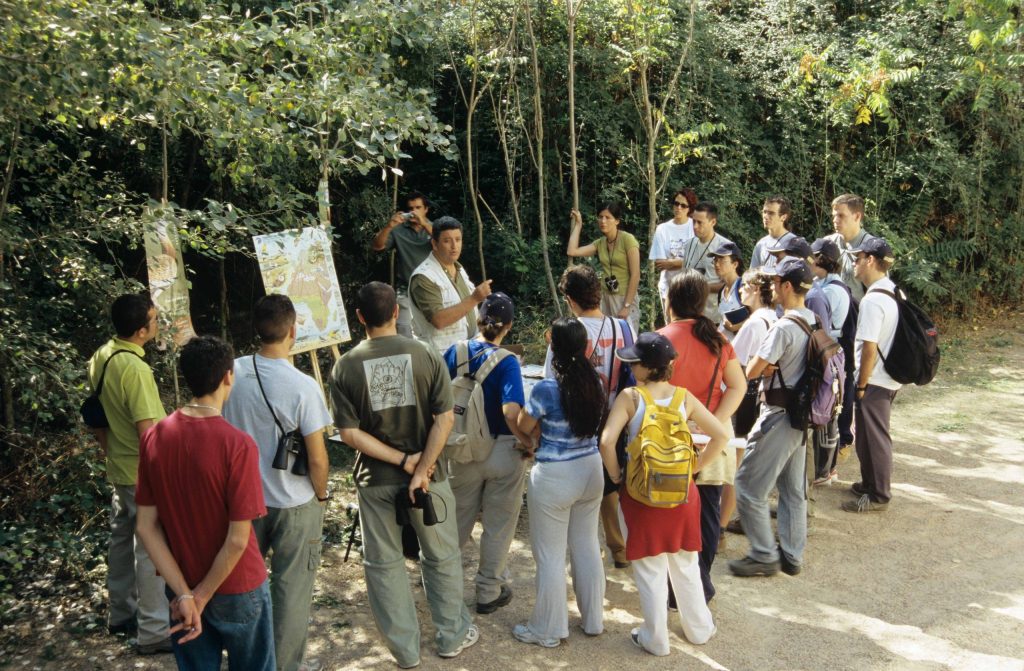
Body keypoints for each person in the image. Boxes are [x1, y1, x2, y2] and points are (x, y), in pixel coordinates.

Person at [329, 282, 478, 668]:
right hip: (430, 478)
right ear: (397, 312)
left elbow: (348, 434)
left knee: (384, 565)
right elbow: (444, 419)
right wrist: (421, 467)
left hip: (376, 481)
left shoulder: (344, 366)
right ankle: (451, 636)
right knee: (441, 556)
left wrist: (402, 461)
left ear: (359, 317)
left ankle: (405, 651)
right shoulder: (425, 354)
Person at [135, 335, 273, 671]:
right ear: (228, 376)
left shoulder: (155, 436)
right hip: (238, 586)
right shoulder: (237, 445)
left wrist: (185, 595)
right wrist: (201, 595)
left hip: (179, 584)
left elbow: (145, 527)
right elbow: (238, 538)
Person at [222, 295, 332, 671]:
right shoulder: (303, 386)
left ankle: (248, 662)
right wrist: (322, 494)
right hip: (293, 501)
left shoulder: (231, 373)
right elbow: (317, 457)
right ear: (292, 330)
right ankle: (284, 665)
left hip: (241, 502)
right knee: (291, 592)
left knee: (243, 590)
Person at [599, 332, 728, 655]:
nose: (631, 367)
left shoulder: (631, 397)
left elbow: (606, 441)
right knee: (685, 561)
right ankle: (699, 629)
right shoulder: (684, 398)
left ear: (644, 368)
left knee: (649, 567)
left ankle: (656, 638)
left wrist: (617, 475)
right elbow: (721, 435)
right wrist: (695, 467)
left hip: (641, 493)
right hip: (682, 493)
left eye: (634, 363)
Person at [513, 317, 607, 648]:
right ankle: (593, 619)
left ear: (553, 346)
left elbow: (524, 425)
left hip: (555, 475)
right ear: (584, 347)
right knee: (586, 545)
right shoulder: (595, 381)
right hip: (591, 470)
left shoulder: (547, 388)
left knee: (550, 554)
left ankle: (549, 629)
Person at [86, 293, 171, 654]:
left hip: (118, 467)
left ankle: (120, 613)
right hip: (141, 471)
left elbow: (94, 417)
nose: (157, 323)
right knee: (150, 549)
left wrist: (109, 452)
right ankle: (153, 630)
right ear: (140, 331)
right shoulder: (135, 369)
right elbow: (148, 431)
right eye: (154, 319)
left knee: (121, 540)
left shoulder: (102, 355)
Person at [442, 292, 533, 614]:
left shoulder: (454, 351)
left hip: (460, 448)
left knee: (454, 524)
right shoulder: (507, 361)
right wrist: (527, 440)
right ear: (507, 326)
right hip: (503, 451)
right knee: (498, 525)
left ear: (477, 319)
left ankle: (445, 592)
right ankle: (487, 592)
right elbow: (511, 410)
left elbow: (436, 399)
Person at [658, 270, 745, 602]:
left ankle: (670, 590)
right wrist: (713, 422)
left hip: (668, 441)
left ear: (671, 301)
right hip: (711, 442)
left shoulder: (661, 339)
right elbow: (738, 386)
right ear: (702, 302)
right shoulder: (719, 341)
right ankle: (700, 586)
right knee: (707, 514)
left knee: (668, 514)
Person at [728, 257, 815, 578]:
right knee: (793, 491)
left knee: (748, 486)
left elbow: (750, 371)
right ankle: (792, 554)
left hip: (778, 415)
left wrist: (764, 365)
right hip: (802, 417)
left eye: (778, 283)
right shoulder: (813, 320)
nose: (774, 288)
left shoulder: (784, 327)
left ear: (788, 287)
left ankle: (764, 554)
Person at [544, 265, 635, 569]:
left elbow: (550, 381)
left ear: (570, 298)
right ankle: (619, 549)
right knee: (610, 484)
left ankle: (581, 556)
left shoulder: (565, 333)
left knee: (577, 493)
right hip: (615, 419)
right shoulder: (624, 328)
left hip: (574, 421)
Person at [842, 238, 901, 513]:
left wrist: (862, 384)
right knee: (866, 434)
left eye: (858, 257)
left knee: (875, 436)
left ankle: (879, 495)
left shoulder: (873, 299)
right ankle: (869, 483)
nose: (854, 262)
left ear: (870, 261)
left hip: (875, 378)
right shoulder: (894, 291)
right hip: (887, 375)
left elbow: (869, 348)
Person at [721, 270, 778, 537]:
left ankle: (725, 520)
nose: (740, 291)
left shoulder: (755, 323)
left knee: (737, 459)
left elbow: (735, 362)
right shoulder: (771, 318)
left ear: (756, 289)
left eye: (744, 286)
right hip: (760, 392)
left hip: (746, 394)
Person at [409, 217, 492, 352]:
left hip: (465, 353)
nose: (454, 246)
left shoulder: (459, 270)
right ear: (435, 244)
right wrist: (475, 299)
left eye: (458, 240)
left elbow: (467, 312)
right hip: (438, 359)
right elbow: (438, 320)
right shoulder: (423, 277)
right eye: (447, 241)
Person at [808, 239, 852, 486]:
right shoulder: (829, 285)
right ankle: (828, 467)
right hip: (832, 350)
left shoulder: (830, 290)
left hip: (827, 352)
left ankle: (825, 468)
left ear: (821, 260)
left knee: (825, 409)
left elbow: (822, 327)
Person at [567, 202, 641, 332]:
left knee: (627, 339)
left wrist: (627, 306)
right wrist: (578, 224)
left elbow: (636, 274)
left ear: (617, 221)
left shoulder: (628, 240)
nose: (603, 221)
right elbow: (572, 251)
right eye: (600, 217)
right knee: (608, 335)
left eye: (608, 217)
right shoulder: (600, 243)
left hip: (625, 297)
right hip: (605, 297)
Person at [372, 192, 434, 338]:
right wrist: (389, 226)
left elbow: (443, 244)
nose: (414, 212)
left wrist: (424, 223)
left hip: (431, 288)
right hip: (405, 289)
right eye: (410, 208)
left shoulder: (434, 228)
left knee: (432, 332)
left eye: (418, 207)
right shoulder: (398, 230)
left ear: (426, 209)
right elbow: (377, 246)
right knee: (404, 331)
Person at [677, 202, 733, 324]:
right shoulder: (689, 244)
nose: (695, 226)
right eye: (693, 222)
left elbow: (731, 284)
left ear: (713, 222)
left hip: (714, 316)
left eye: (700, 222)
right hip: (689, 314)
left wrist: (701, 287)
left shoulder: (725, 247)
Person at [649, 188, 697, 320]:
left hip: (690, 287)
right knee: (670, 325)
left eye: (683, 205)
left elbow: (697, 261)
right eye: (676, 203)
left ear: (690, 208)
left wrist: (672, 262)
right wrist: (684, 262)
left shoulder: (695, 227)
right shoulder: (662, 229)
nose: (679, 208)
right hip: (668, 286)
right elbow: (660, 263)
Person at [826, 193, 877, 302]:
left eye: (841, 215)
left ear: (857, 216)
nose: (835, 220)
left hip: (859, 315)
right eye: (834, 216)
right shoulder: (827, 244)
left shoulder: (872, 249)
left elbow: (879, 293)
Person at [709, 241, 745, 341]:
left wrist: (736, 327)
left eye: (722, 260)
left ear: (735, 264)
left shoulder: (744, 287)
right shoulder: (722, 291)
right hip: (725, 349)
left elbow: (757, 315)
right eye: (715, 260)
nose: (717, 264)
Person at [750, 196, 796, 271]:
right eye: (764, 212)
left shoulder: (794, 243)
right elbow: (752, 275)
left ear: (783, 217)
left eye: (771, 213)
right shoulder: (761, 244)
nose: (766, 217)